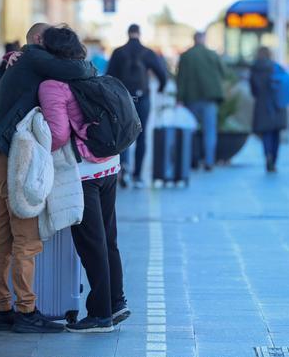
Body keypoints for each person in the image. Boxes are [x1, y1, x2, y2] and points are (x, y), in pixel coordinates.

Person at [0, 23, 96, 334]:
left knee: (4, 237)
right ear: (37, 39)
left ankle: (1, 308)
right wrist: (87, 61)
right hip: (13, 158)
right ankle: (26, 310)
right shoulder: (33, 56)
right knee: (26, 238)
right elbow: (80, 69)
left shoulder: (25, 61)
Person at [38, 25, 129, 333]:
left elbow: (59, 134)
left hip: (84, 173)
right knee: (108, 238)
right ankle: (116, 302)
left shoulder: (53, 85)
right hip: (110, 165)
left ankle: (100, 315)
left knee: (91, 244)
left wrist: (38, 143)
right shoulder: (90, 71)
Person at [106, 23, 169, 188]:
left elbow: (108, 77)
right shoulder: (148, 53)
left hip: (124, 99)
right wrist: (161, 88)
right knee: (142, 135)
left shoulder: (118, 52)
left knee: (125, 134)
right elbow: (162, 74)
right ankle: (138, 175)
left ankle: (124, 170)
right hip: (143, 98)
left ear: (128, 34)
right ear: (139, 34)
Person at [176, 31, 227, 171]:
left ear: (194, 40)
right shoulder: (213, 54)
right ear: (204, 39)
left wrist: (179, 98)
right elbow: (224, 73)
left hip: (191, 99)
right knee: (210, 131)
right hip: (210, 99)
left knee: (191, 130)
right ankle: (209, 161)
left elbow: (180, 79)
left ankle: (193, 160)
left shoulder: (186, 56)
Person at [249, 47, 289, 173]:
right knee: (276, 133)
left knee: (266, 134)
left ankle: (267, 156)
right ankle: (274, 158)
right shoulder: (276, 67)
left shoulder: (254, 69)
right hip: (278, 105)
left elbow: (253, 90)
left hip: (262, 104)